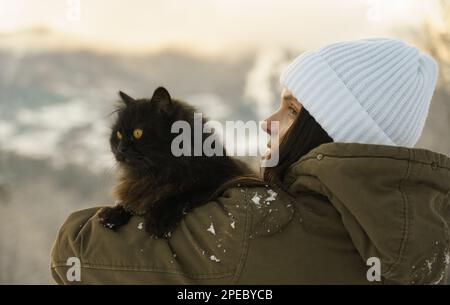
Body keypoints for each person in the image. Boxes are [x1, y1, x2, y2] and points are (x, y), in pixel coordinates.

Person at [51, 38, 450, 284]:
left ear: (328, 127)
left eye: (291, 110)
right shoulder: (432, 240)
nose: (268, 122)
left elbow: (78, 254)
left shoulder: (254, 224)